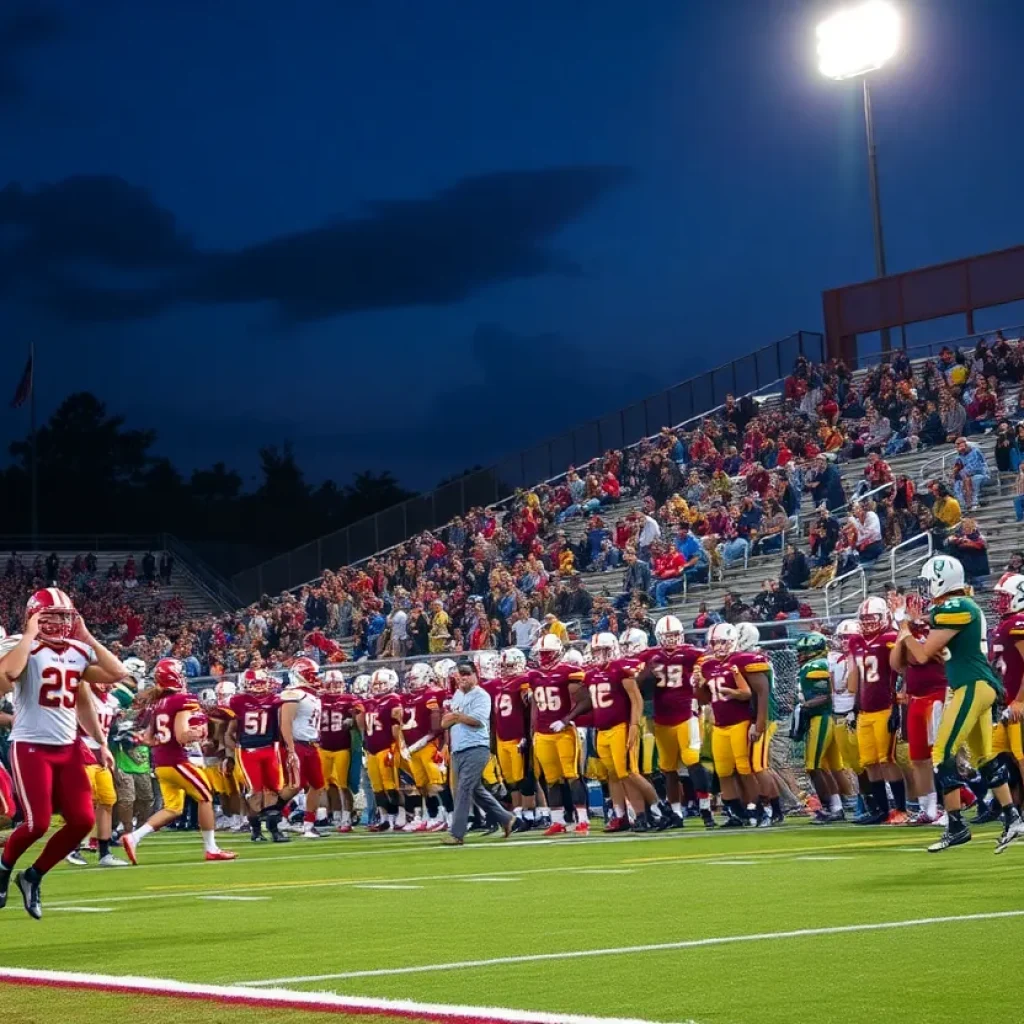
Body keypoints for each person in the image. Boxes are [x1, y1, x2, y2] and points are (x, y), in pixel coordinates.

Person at [0, 589, 126, 919]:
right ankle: (3, 869)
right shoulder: (20, 644)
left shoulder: (76, 650)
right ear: (34, 616)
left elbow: (113, 677)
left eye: (65, 616)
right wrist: (29, 635)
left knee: (83, 820)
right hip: (30, 743)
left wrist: (101, 743)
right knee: (36, 823)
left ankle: (32, 876)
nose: (59, 622)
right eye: (51, 615)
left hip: (68, 746)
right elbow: (8, 675)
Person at [903, 556, 1024, 853]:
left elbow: (921, 654)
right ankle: (1012, 817)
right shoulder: (958, 608)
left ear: (942, 580)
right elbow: (934, 624)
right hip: (975, 685)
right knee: (984, 756)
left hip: (971, 685)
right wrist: (918, 620)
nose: (925, 588)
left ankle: (956, 825)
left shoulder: (958, 607)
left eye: (929, 580)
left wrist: (905, 630)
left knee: (942, 752)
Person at [120, 658, 237, 866]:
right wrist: (197, 734)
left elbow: (148, 738)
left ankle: (134, 837)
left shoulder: (157, 703)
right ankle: (211, 848)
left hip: (161, 763)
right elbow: (182, 736)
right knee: (205, 797)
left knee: (173, 809)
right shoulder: (181, 699)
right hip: (177, 761)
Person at [642, 615, 714, 828]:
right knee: (668, 768)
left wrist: (700, 675)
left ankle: (705, 808)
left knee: (693, 761)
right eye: (667, 636)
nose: (671, 639)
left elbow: (708, 659)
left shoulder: (691, 653)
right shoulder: (650, 655)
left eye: (674, 635)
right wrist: (648, 671)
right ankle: (676, 813)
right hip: (662, 717)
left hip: (686, 714)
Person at [440, 660, 515, 846]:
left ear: (475, 674)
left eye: (466, 674)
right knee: (475, 790)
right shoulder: (457, 695)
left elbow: (478, 721)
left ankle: (457, 833)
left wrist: (456, 717)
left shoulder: (481, 695)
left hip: (476, 747)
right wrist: (454, 719)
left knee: (463, 789)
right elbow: (444, 723)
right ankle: (505, 818)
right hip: (458, 748)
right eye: (459, 674)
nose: (462, 678)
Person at [847, 597, 907, 825]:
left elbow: (903, 669)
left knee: (886, 760)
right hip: (864, 710)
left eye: (872, 618)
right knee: (869, 762)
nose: (868, 622)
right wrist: (854, 706)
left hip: (885, 706)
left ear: (884, 617)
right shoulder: (857, 641)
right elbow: (857, 681)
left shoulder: (891, 638)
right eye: (864, 619)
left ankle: (900, 809)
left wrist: (897, 705)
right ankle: (881, 810)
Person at [278, 656, 326, 839]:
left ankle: (308, 824)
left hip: (311, 745)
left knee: (317, 785)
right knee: (295, 786)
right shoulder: (294, 693)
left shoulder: (312, 695)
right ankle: (273, 814)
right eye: (311, 674)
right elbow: (286, 723)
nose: (315, 678)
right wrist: (290, 748)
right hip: (297, 744)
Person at [400, 663, 445, 832]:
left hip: (428, 745)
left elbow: (435, 728)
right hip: (414, 747)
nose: (412, 683)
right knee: (421, 784)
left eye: (415, 679)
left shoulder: (433, 694)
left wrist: (415, 746)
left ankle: (442, 814)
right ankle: (430, 814)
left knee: (435, 783)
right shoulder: (408, 697)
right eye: (411, 679)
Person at [319, 669, 360, 832]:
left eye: (337, 684)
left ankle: (347, 816)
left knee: (343, 784)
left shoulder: (350, 699)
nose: (334, 687)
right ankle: (336, 815)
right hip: (323, 747)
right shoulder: (319, 699)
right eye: (330, 684)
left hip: (343, 747)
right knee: (329, 785)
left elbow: (360, 717)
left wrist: (354, 720)